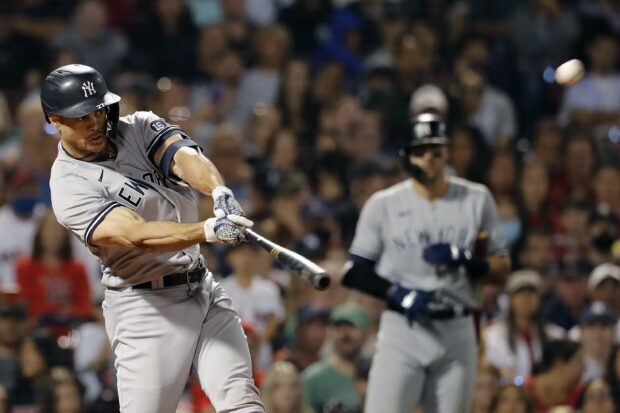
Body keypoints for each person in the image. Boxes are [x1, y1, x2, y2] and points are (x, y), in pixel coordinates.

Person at [39, 64, 264, 413]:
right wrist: (207, 230)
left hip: (201, 288)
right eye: (81, 116)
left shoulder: (138, 126)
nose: (95, 121)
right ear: (55, 120)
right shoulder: (69, 185)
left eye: (98, 110)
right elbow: (136, 234)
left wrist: (218, 190)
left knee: (242, 401)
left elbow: (185, 157)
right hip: (145, 307)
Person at [341, 113, 511, 413]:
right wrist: (397, 293)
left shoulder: (476, 198)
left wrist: (468, 261)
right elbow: (355, 272)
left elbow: (501, 269)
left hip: (457, 328)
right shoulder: (384, 204)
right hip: (404, 330)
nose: (429, 157)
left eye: (436, 149)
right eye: (420, 150)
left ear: (447, 151)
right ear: (405, 156)